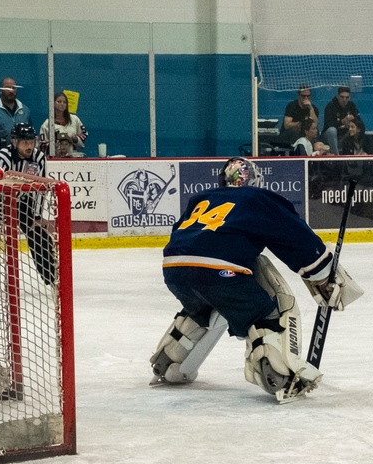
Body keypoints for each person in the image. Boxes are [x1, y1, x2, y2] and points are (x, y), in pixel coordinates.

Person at [150, 156, 362, 402]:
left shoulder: (202, 198)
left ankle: (168, 359)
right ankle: (278, 373)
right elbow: (292, 236)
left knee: (205, 305)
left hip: (175, 270)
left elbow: (184, 235)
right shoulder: (256, 198)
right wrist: (323, 275)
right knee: (269, 310)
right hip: (221, 273)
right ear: (256, 180)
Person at [0, 122, 56, 294]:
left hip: (22, 200)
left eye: (32, 141)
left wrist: (37, 216)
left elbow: (41, 189)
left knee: (39, 234)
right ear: (14, 142)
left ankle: (52, 276)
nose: (30, 146)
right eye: (25, 142)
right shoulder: (2, 158)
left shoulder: (39, 158)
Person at [0, 77, 32, 153]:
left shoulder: (25, 110)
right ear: (0, 90)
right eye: (8, 88)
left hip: (21, 156)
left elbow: (30, 135)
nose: (11, 91)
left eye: (13, 88)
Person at [38, 91, 88, 158]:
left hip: (73, 157)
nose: (62, 104)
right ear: (53, 103)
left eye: (64, 102)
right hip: (55, 159)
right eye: (59, 101)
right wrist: (53, 145)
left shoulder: (74, 119)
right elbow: (42, 144)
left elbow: (84, 134)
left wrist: (75, 139)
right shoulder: (47, 124)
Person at [322, 86, 360, 152]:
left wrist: (353, 122)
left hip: (344, 136)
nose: (344, 100)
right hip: (330, 138)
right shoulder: (330, 106)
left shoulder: (352, 106)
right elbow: (327, 125)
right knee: (332, 130)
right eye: (342, 97)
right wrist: (342, 122)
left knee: (357, 129)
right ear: (338, 96)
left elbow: (359, 122)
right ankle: (336, 157)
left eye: (347, 97)